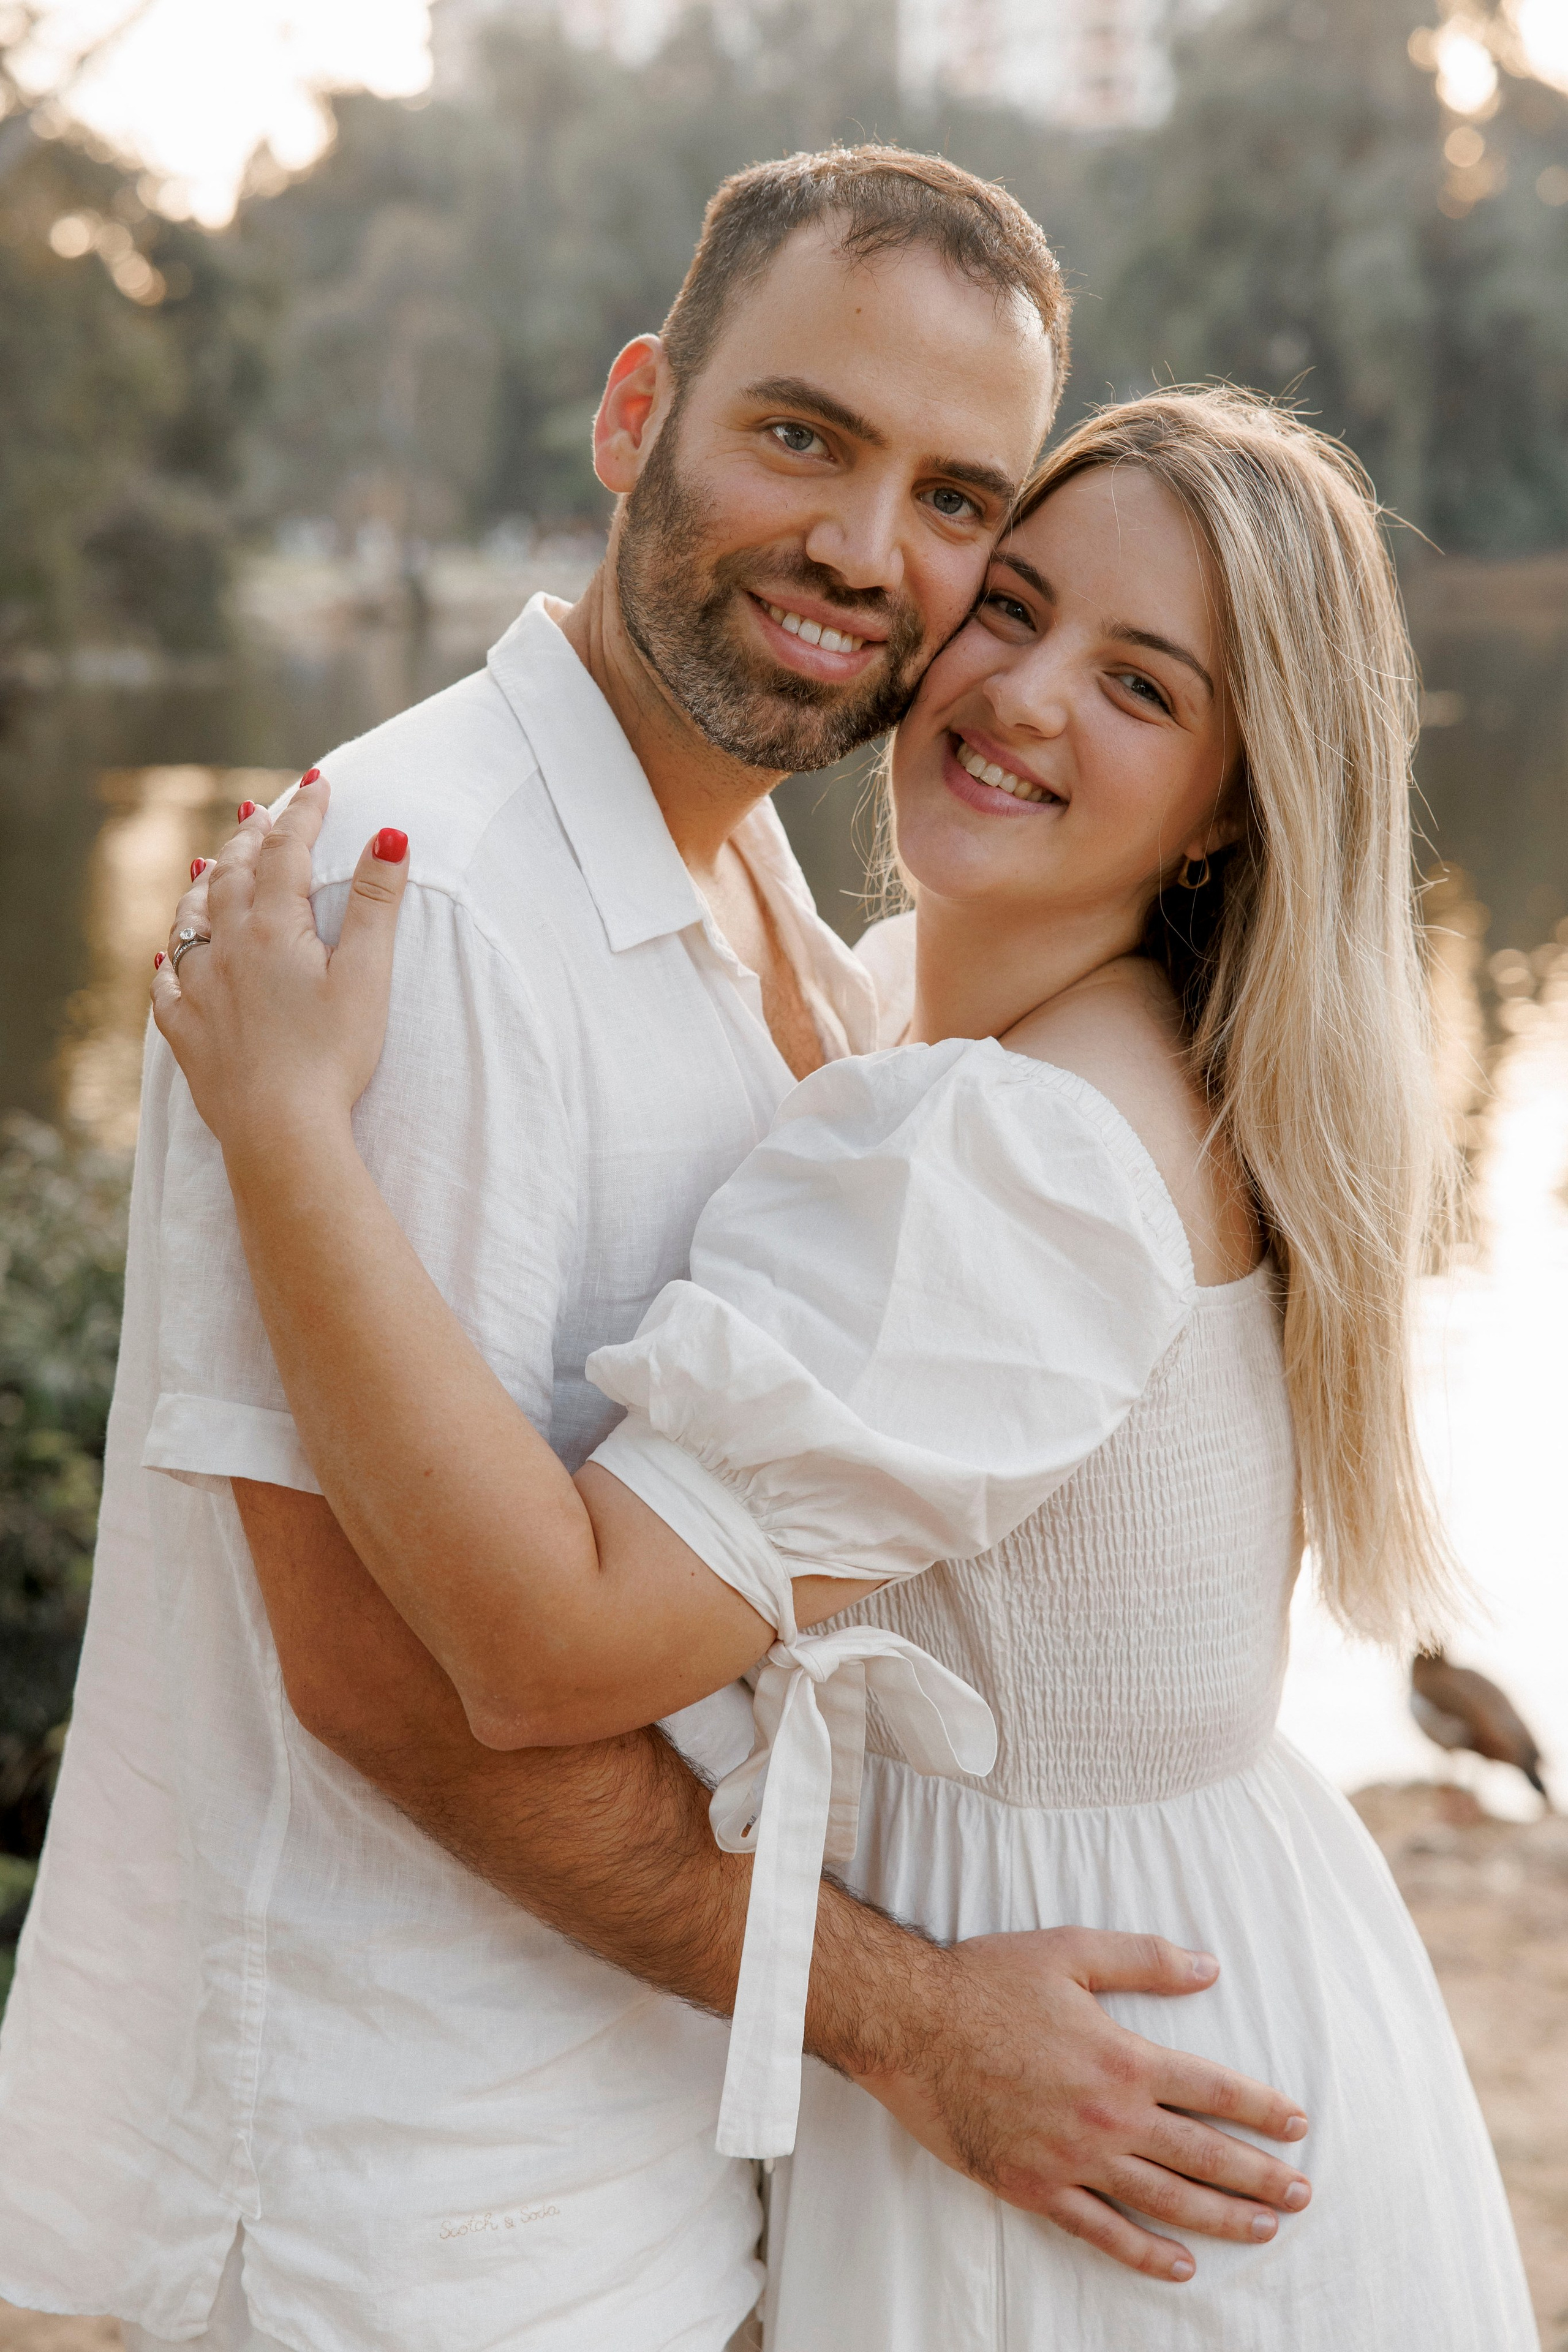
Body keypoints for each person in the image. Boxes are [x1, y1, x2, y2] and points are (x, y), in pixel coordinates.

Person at [0, 154, 1311, 2352]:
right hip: (375, 2217)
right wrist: (911, 2020)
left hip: (611, 2172)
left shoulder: (774, 910)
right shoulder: (417, 904)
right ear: (636, 417)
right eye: (802, 434)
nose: (865, 551)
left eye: (955, 499)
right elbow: (393, 1682)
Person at [143, 385, 1539, 2349]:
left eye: (1141, 686)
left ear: (1237, 802)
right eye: (1014, 606)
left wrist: (288, 1130)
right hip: (1184, 1979)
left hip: (1093, 2088)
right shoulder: (1006, 1036)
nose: (1026, 695)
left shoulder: (1027, 1149)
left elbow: (555, 1652)